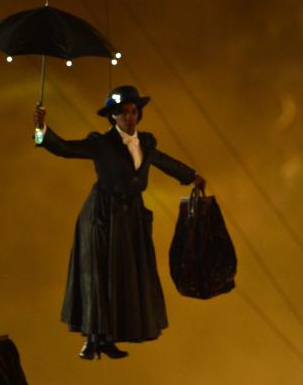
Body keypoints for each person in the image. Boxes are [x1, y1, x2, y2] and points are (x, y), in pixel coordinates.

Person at [34, 85, 205, 360]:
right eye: (122, 113)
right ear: (113, 117)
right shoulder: (101, 144)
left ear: (138, 114)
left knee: (122, 277)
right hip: (103, 214)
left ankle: (107, 339)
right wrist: (42, 130)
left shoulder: (146, 142)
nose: (128, 117)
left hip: (131, 216)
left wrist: (191, 175)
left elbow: (163, 162)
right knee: (100, 275)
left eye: (132, 112)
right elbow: (65, 149)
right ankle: (93, 340)